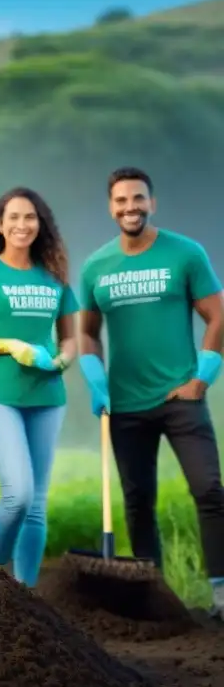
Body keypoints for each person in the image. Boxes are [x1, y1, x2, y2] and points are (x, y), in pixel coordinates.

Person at [78, 167, 224, 617]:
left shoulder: (186, 253)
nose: (131, 207)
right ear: (111, 208)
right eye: (121, 200)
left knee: (209, 490)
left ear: (152, 203)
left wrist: (202, 378)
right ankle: (155, 598)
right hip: (124, 405)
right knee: (138, 501)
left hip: (181, 399)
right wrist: (94, 376)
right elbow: (88, 332)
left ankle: (220, 593)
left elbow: (217, 316)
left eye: (138, 198)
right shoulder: (95, 266)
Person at [0, 187, 78, 587]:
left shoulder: (54, 277)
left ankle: (26, 595)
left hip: (48, 396)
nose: (23, 224)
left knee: (36, 505)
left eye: (30, 217)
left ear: (41, 225)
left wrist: (64, 358)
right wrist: (7, 344)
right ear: (0, 226)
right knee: (17, 493)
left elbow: (70, 338)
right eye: (14, 217)